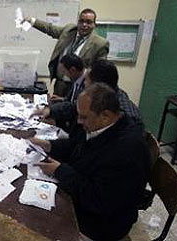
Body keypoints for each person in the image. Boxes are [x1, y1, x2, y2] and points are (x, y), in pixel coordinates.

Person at [33, 83, 150, 241]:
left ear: (105, 116)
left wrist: (59, 171)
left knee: (36, 220)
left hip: (102, 223)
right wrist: (48, 145)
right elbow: (76, 145)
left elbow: (100, 200)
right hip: (86, 197)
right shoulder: (101, 126)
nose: (79, 121)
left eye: (84, 116)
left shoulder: (128, 150)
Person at [24, 8, 109, 96]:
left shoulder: (100, 44)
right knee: (56, 106)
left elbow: (100, 69)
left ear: (94, 24)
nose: (84, 25)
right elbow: (50, 29)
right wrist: (32, 21)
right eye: (81, 21)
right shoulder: (69, 31)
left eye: (88, 22)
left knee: (73, 108)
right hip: (60, 84)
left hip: (80, 87)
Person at [32, 54, 86, 131]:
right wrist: (62, 99)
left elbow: (76, 106)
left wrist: (52, 112)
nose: (64, 75)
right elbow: (71, 100)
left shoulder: (87, 83)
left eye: (64, 72)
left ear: (73, 70)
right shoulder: (77, 79)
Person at [84, 59, 143, 129]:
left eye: (86, 80)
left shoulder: (124, 117)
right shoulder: (111, 95)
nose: (84, 83)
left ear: (97, 86)